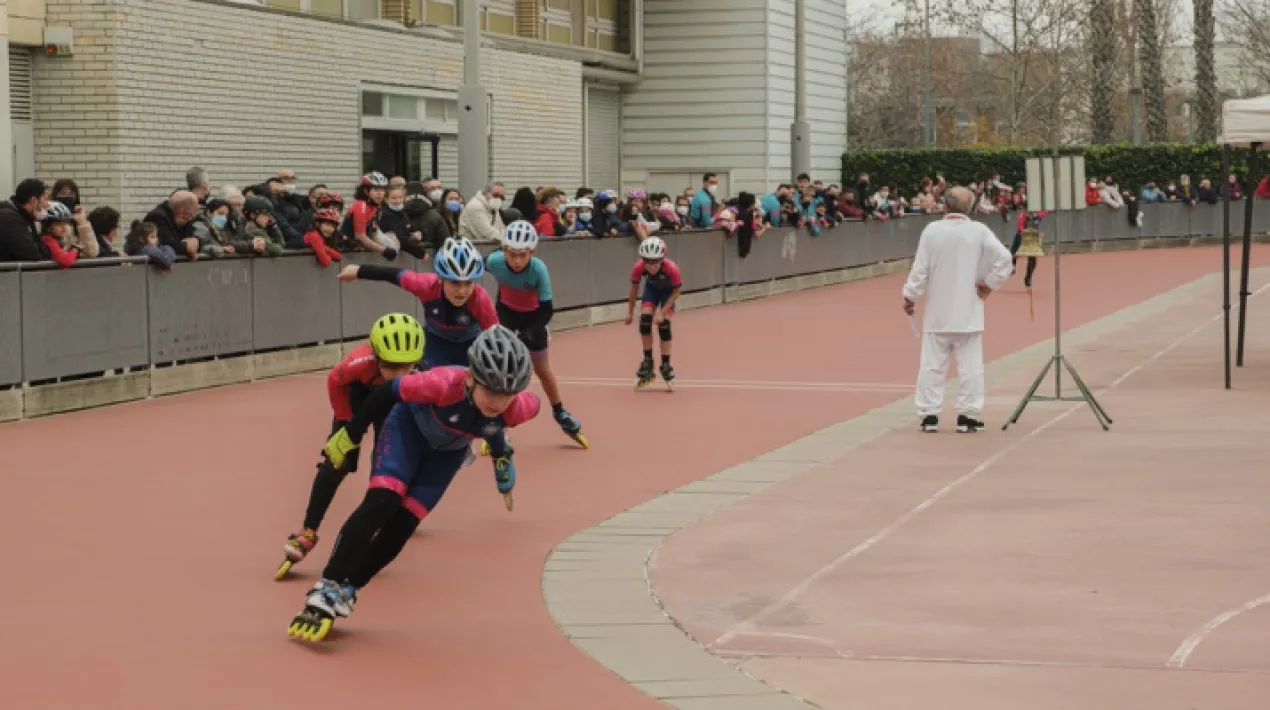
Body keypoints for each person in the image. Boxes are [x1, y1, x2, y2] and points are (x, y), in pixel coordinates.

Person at [286, 326, 540, 643]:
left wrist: (503, 458)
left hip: (445, 457)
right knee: (383, 502)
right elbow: (386, 392)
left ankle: (349, 589)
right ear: (472, 378)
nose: (498, 402)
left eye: (507, 395)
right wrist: (350, 434)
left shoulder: (520, 408)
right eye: (491, 391)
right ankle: (327, 585)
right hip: (407, 431)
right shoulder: (442, 382)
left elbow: (496, 428)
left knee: (403, 524)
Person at [274, 313, 424, 580]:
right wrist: (345, 425)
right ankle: (308, 531)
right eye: (391, 366)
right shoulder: (359, 362)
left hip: (390, 407)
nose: (399, 374)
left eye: (406, 366)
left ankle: (372, 523)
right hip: (357, 400)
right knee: (336, 462)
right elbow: (335, 381)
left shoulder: (423, 372)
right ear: (376, 356)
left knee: (386, 465)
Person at [901, 186, 1013, 433]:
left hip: (937, 313)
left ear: (945, 205)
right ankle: (968, 415)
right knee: (970, 367)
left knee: (931, 366)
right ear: (971, 207)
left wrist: (910, 295)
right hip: (969, 311)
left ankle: (929, 415)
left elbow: (920, 269)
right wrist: (990, 284)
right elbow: (1005, 258)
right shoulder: (979, 231)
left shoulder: (932, 230)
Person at [483, 220, 588, 449]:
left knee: (542, 370)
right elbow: (473, 269)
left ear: (532, 251)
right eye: (512, 254)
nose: (517, 261)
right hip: (507, 313)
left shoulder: (539, 269)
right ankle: (497, 421)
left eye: (523, 255)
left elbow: (547, 309)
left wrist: (530, 333)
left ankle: (560, 411)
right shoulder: (494, 261)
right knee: (503, 369)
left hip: (534, 317)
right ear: (504, 250)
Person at [336, 237, 498, 368]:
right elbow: (393, 274)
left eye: (468, 283)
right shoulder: (426, 285)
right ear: (440, 278)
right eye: (454, 283)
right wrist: (359, 271)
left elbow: (495, 335)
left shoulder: (480, 298)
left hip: (470, 345)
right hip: (435, 343)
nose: (462, 291)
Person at [625, 236, 681, 390]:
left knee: (664, 325)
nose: (651, 266)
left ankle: (666, 364)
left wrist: (662, 313)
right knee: (644, 323)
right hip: (652, 291)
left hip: (668, 294)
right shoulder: (638, 267)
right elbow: (634, 290)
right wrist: (630, 312)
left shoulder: (672, 268)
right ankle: (648, 360)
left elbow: (676, 293)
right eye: (647, 261)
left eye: (655, 261)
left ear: (662, 259)